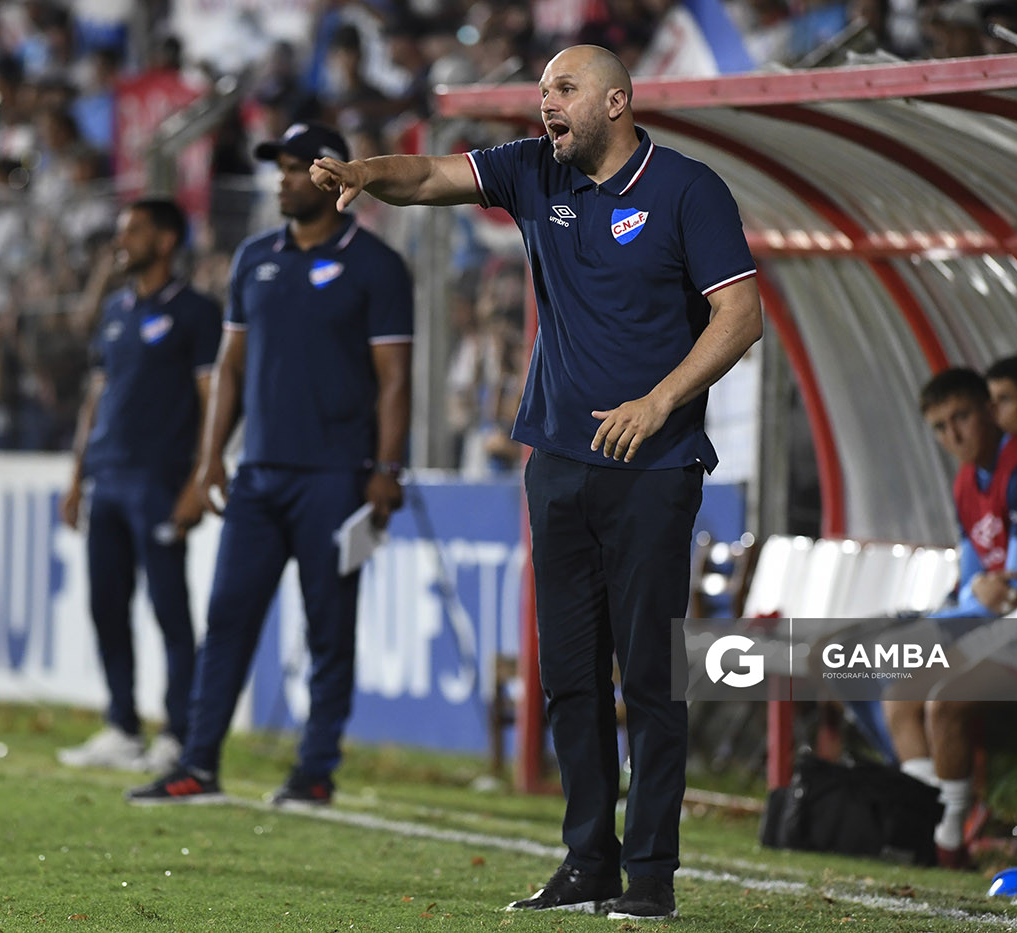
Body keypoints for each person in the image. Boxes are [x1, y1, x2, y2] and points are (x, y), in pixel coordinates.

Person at [308, 46, 763, 920]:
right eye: (543, 89)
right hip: (555, 465)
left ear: (618, 101)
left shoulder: (687, 189)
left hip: (654, 469)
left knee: (652, 679)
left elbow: (741, 313)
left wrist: (660, 400)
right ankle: (586, 862)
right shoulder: (531, 172)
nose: (544, 103)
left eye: (564, 90)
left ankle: (652, 876)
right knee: (571, 677)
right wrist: (366, 172)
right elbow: (431, 175)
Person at [125, 122, 413, 808]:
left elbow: (395, 376)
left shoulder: (376, 265)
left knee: (327, 627)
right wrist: (209, 461)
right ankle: (198, 761)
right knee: (227, 617)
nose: (282, 179)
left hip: (336, 476)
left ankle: (315, 769)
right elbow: (228, 366)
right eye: (278, 168)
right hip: (258, 474)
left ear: (334, 175)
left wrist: (388, 469)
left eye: (295, 167)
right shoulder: (254, 258)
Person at [883, 367, 1017, 866]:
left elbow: (1014, 586)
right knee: (888, 682)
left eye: (962, 418)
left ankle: (948, 838)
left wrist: (975, 594)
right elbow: (977, 580)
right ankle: (928, 819)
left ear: (989, 413)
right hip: (1005, 620)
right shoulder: (965, 481)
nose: (953, 435)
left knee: (934, 696)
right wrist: (974, 593)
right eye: (939, 426)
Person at [57, 199, 222, 773]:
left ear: (167, 239)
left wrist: (201, 479)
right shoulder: (115, 310)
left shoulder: (197, 313)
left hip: (160, 481)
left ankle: (178, 732)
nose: (120, 242)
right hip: (108, 478)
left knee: (169, 609)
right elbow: (96, 400)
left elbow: (213, 400)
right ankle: (121, 725)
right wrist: (77, 478)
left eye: (134, 232)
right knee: (107, 606)